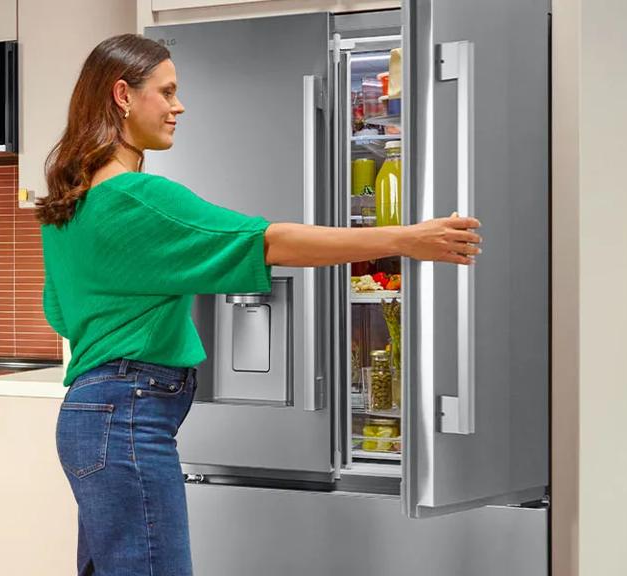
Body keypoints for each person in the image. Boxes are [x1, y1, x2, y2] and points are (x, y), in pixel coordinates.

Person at [38, 34, 481, 576]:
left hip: (88, 415)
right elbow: (271, 241)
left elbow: (61, 314)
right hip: (129, 411)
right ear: (123, 95)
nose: (179, 107)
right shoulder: (139, 198)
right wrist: (405, 239)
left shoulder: (69, 206)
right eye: (169, 92)